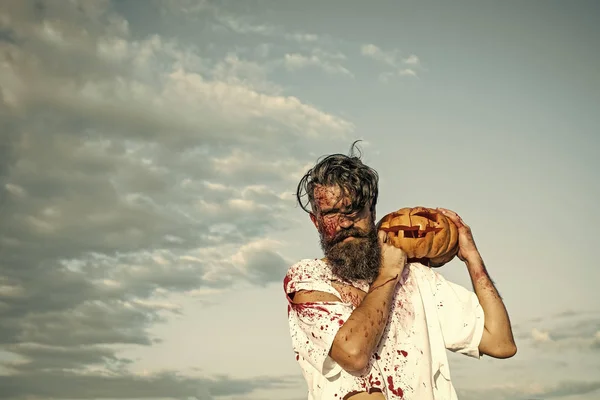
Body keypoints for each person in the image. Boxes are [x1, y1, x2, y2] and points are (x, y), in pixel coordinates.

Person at [283, 142, 516, 400]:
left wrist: (473, 260)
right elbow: (354, 354)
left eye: (354, 209)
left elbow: (500, 342)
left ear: (371, 211)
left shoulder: (416, 279)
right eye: (331, 213)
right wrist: (387, 275)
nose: (345, 222)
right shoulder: (308, 279)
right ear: (316, 221)